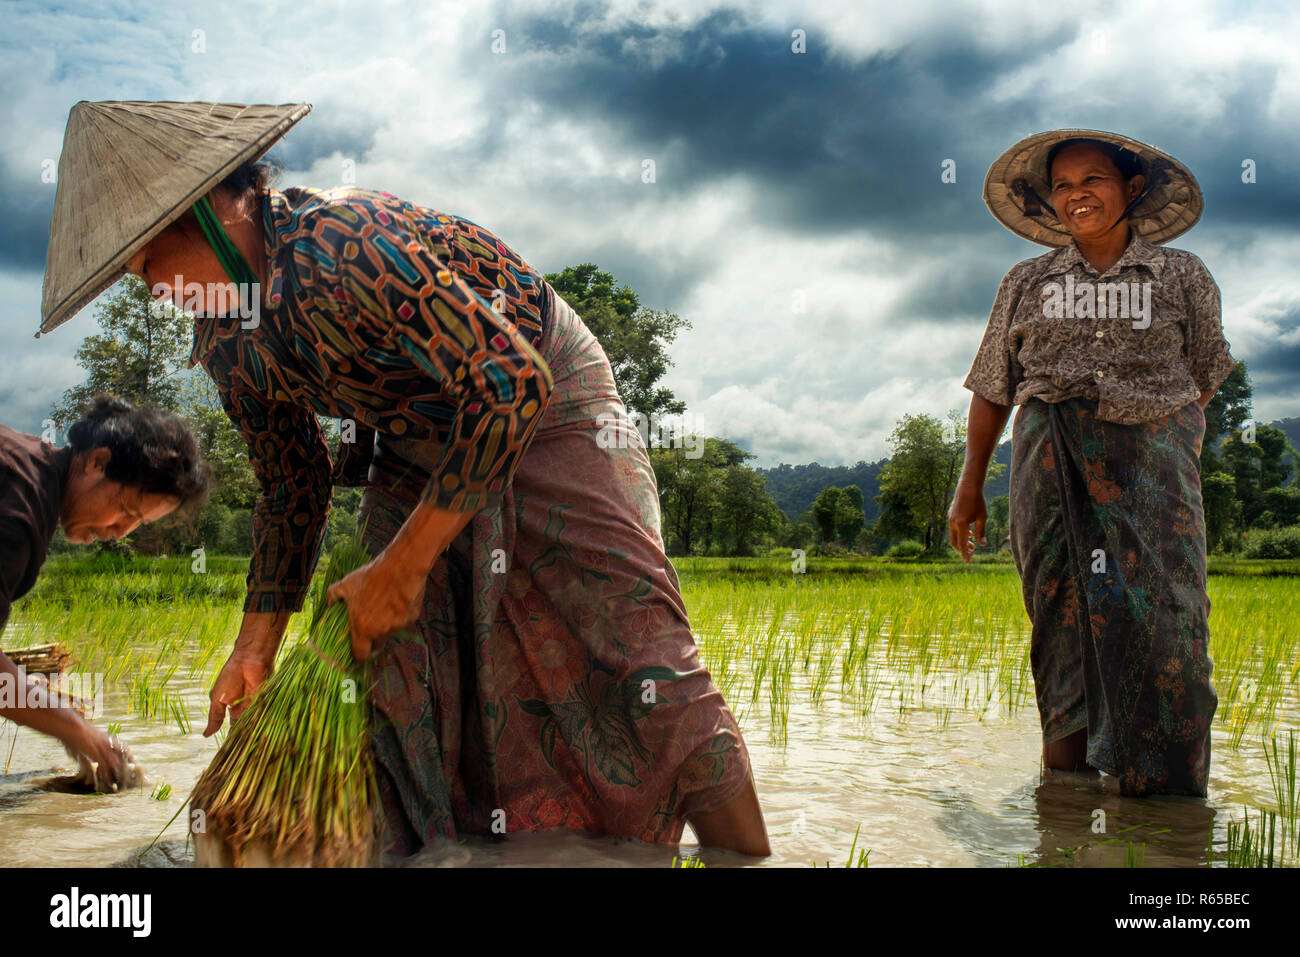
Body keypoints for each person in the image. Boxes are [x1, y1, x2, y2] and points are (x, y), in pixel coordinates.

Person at [39, 101, 770, 856]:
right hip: (416, 433)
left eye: (150, 266)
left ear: (211, 210)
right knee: (397, 670)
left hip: (548, 393)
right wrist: (255, 646)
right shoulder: (227, 342)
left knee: (640, 652)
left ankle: (746, 857)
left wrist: (407, 564)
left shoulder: (344, 244)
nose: (155, 291)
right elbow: (294, 485)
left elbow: (510, 383)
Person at [949, 129, 1235, 797]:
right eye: (1064, 185)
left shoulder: (1184, 274)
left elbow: (1204, 375)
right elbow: (994, 385)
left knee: (1169, 619)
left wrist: (1152, 433)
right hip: (1049, 458)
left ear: (1131, 188)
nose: (1077, 195)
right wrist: (970, 487)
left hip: (1151, 470)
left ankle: (1167, 798)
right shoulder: (1026, 281)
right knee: (1061, 614)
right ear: (1050, 201)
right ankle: (1067, 795)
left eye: (1093, 180)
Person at [0, 394, 212, 790]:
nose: (119, 533)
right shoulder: (19, 513)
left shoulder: (26, 465)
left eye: (137, 524)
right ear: (97, 462)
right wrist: (75, 729)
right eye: (127, 511)